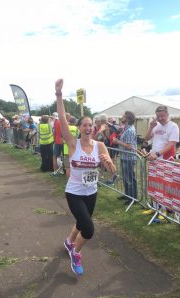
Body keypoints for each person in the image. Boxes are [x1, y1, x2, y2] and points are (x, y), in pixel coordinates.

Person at [55, 79, 116, 275]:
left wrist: (108, 162)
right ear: (79, 128)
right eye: (85, 125)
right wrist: (59, 95)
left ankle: (69, 241)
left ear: (94, 128)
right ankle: (76, 252)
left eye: (91, 125)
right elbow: (63, 119)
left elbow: (113, 172)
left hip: (92, 192)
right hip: (74, 192)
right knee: (88, 229)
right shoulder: (73, 144)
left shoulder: (100, 146)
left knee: (81, 223)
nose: (88, 127)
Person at [144, 105, 179, 218]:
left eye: (162, 116)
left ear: (167, 115)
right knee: (153, 183)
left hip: (166, 159)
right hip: (154, 159)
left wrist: (158, 154)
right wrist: (150, 127)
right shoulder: (156, 125)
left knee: (164, 184)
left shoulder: (173, 126)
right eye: (158, 116)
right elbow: (146, 138)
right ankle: (154, 207)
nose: (160, 118)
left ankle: (165, 210)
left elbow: (171, 143)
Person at [113, 111, 137, 204]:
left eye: (123, 116)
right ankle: (128, 195)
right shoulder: (127, 129)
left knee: (130, 178)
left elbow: (129, 146)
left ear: (127, 118)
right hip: (125, 156)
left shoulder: (130, 130)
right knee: (126, 177)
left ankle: (132, 198)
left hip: (129, 157)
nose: (121, 117)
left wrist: (118, 142)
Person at [51, 112, 64, 176]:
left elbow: (54, 132)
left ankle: (55, 172)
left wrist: (54, 139)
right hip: (63, 141)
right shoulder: (62, 122)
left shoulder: (55, 122)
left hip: (57, 141)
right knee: (65, 157)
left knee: (55, 157)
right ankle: (63, 171)